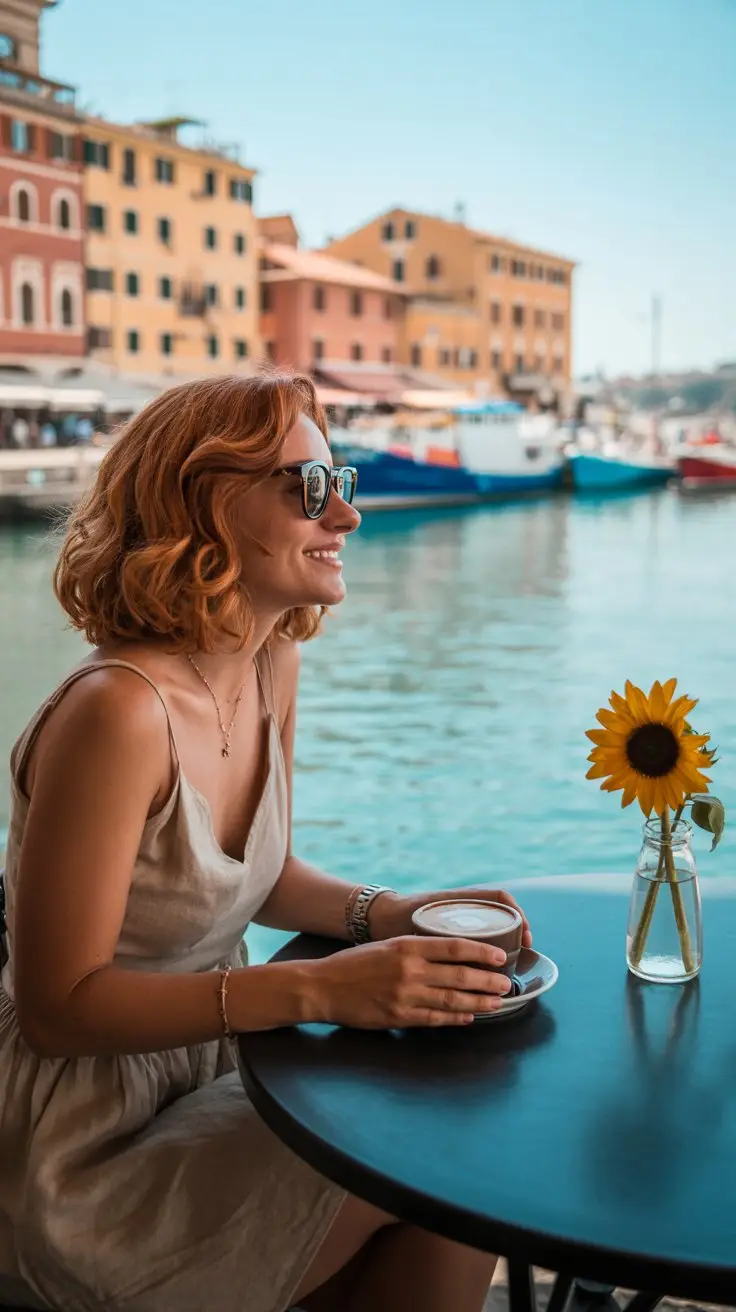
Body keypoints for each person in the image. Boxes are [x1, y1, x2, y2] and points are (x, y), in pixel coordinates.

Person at [0, 372, 531, 1312]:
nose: (349, 518)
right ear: (204, 501)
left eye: (345, 483)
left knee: (458, 1168)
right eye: (312, 489)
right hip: (79, 1144)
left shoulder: (267, 653)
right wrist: (323, 989)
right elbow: (59, 1008)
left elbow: (258, 872)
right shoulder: (117, 714)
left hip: (218, 1066)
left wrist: (387, 913)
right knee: (446, 1167)